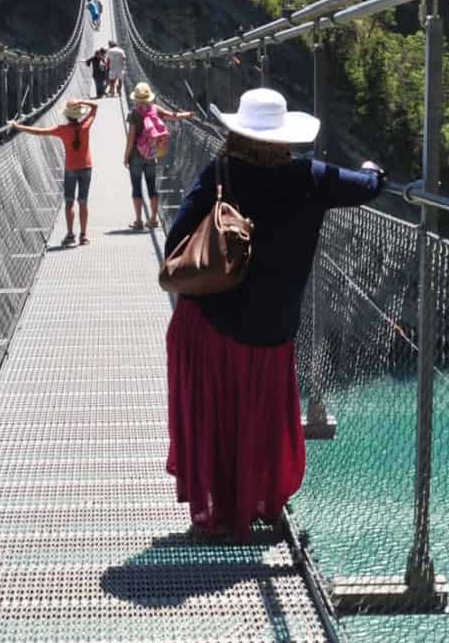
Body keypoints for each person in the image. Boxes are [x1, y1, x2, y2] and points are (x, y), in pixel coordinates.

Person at [162, 88, 384, 534]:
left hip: (209, 321)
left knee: (214, 419)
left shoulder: (220, 172)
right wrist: (372, 169)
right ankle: (261, 504)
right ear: (285, 136)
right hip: (272, 327)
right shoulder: (313, 178)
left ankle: (217, 515)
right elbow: (371, 186)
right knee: (259, 420)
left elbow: (175, 245)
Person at [11, 99, 101, 247]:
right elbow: (95, 106)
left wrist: (18, 127)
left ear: (67, 116)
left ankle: (70, 235)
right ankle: (84, 236)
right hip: (86, 167)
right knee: (83, 202)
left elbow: (39, 132)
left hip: (71, 169)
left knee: (69, 202)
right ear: (79, 115)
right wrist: (82, 101)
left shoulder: (62, 130)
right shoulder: (86, 125)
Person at [123, 82, 194, 231]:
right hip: (151, 155)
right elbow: (173, 116)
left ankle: (138, 221)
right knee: (152, 188)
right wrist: (187, 114)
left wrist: (126, 156)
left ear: (136, 98)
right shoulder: (155, 109)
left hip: (136, 156)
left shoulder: (134, 113)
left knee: (136, 188)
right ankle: (154, 219)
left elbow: (130, 139)